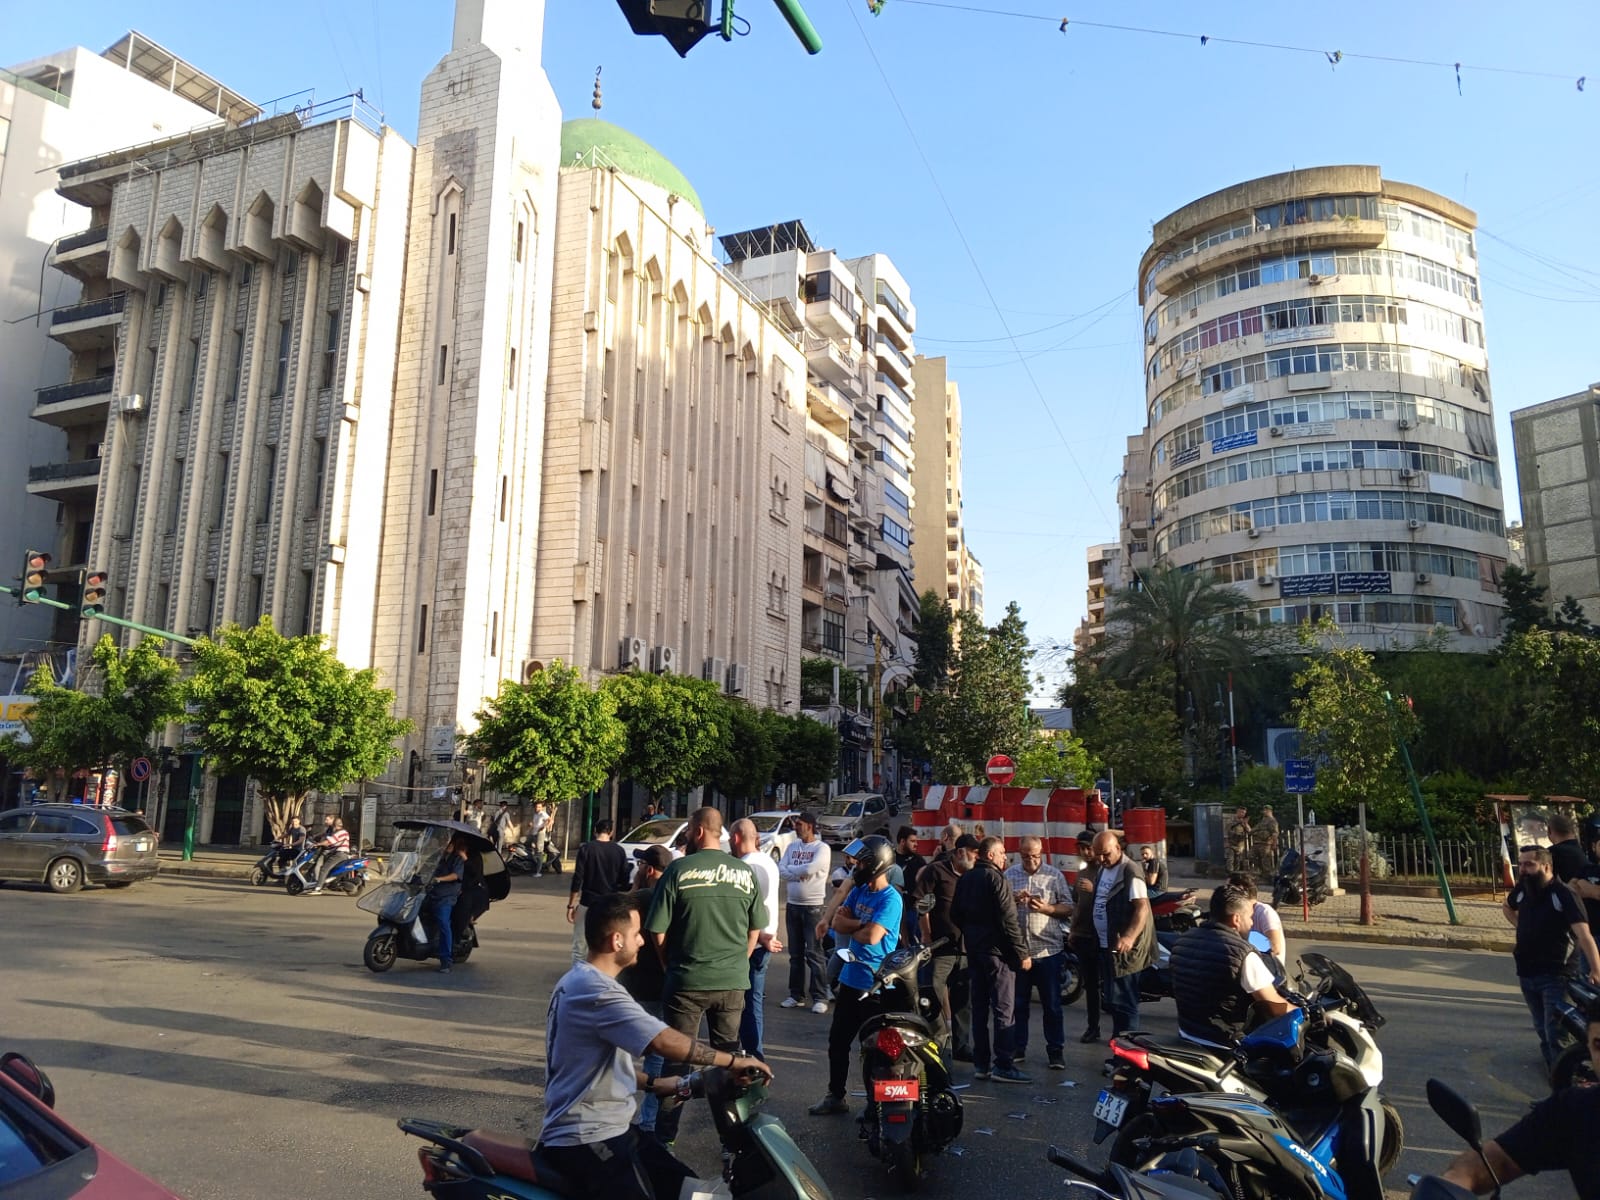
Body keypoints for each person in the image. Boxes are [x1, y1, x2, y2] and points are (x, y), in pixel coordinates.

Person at [538, 893, 772, 1200]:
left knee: (688, 1188)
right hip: (585, 1138)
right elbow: (662, 1040)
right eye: (637, 934)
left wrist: (662, 1084)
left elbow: (594, 1066)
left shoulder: (578, 980)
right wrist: (732, 1061)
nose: (642, 941)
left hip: (612, 1129)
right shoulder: (598, 991)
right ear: (617, 940)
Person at [645, 807, 766, 1148]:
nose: (686, 836)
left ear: (698, 832)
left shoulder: (678, 870)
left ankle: (664, 1141)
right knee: (729, 1061)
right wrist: (739, 961)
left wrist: (668, 965)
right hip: (732, 982)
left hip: (686, 981)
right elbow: (755, 929)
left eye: (688, 831)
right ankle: (733, 1142)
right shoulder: (744, 872)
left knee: (677, 1062)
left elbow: (657, 930)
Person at [1440, 1009, 1600, 1199]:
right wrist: (1452, 1183)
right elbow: (1498, 1160)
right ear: (1588, 1047)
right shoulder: (1574, 1109)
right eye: (1598, 1045)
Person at [808, 836, 903, 1116]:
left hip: (876, 986)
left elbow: (872, 937)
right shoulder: (859, 891)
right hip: (850, 980)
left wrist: (855, 926)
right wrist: (860, 924)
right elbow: (838, 923)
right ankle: (835, 1096)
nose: (855, 867)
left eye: (860, 863)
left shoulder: (891, 899)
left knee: (875, 1050)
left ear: (876, 864)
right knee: (837, 1042)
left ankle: (876, 1105)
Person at [1502, 843, 1600, 1069]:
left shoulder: (1563, 894)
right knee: (1540, 1027)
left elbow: (1584, 935)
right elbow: (1507, 906)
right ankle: (1554, 1069)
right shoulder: (1524, 889)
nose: (1523, 870)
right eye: (1521, 864)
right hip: (1526, 972)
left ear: (1546, 867)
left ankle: (1566, 1075)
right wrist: (1521, 927)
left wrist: (1596, 969)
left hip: (1556, 974)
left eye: (1529, 864)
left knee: (1556, 1030)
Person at [951, 835, 1033, 1083]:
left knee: (979, 1008)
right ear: (990, 855)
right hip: (997, 953)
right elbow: (1009, 919)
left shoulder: (966, 878)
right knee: (1003, 1009)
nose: (1005, 857)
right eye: (1002, 853)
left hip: (975, 951)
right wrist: (1022, 953)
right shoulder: (996, 878)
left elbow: (955, 913)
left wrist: (972, 933)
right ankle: (1004, 1064)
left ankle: (982, 1064)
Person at [1171, 885, 1293, 1048]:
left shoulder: (1182, 941)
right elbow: (1273, 1006)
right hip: (1225, 1043)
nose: (1251, 923)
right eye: (1250, 917)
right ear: (1236, 919)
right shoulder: (1241, 953)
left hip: (1188, 1034)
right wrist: (1305, 1014)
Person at [1005, 836, 1073, 1070]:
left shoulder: (1055, 876)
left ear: (1041, 853)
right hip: (1020, 952)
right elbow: (1000, 907)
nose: (1031, 860)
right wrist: (1013, 900)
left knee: (1052, 1005)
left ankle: (1056, 1051)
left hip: (1048, 951)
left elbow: (1068, 907)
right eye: (1026, 856)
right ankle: (1018, 1048)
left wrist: (1047, 908)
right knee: (1018, 1005)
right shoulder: (1009, 875)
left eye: (1034, 856)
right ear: (1019, 854)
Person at [619, 846, 674, 1138]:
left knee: (621, 1051)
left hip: (636, 985)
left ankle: (617, 1114)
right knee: (657, 1055)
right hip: (665, 985)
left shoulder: (640, 897)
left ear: (649, 869)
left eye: (641, 865)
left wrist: (635, 886)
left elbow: (614, 916)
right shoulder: (675, 896)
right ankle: (649, 1121)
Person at [914, 832, 978, 1059]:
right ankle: (938, 1041)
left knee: (963, 999)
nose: (976, 857)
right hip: (941, 947)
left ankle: (961, 1045)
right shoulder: (936, 871)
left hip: (966, 947)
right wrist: (926, 933)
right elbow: (921, 903)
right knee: (935, 992)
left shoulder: (973, 876)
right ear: (960, 852)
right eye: (973, 853)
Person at [1090, 830, 1156, 1035]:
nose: (1102, 859)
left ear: (1118, 848)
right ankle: (1118, 1046)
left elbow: (1142, 908)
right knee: (1114, 1002)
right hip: (1107, 946)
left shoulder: (1130, 871)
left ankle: (1127, 1049)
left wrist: (1129, 937)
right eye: (1098, 855)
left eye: (1106, 854)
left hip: (1126, 952)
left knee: (1125, 1004)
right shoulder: (1103, 870)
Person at [731, 818, 783, 1062]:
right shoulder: (768, 861)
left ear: (736, 838)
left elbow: (743, 909)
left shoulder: (745, 867)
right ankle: (753, 1055)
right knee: (753, 1003)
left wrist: (760, 935)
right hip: (765, 939)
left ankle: (753, 1057)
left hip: (753, 943)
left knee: (744, 1005)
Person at [777, 811, 832, 1014]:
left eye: (799, 824)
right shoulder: (792, 847)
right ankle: (796, 995)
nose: (796, 827)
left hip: (813, 907)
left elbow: (811, 869)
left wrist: (792, 870)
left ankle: (820, 996)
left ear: (809, 826)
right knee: (795, 954)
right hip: (792, 905)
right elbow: (780, 868)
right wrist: (795, 873)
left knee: (815, 953)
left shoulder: (822, 848)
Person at [569, 820, 632, 964]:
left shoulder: (586, 849)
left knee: (580, 945)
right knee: (607, 943)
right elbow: (625, 880)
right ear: (611, 832)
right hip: (610, 904)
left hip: (588, 901)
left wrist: (571, 905)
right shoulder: (619, 851)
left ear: (595, 831)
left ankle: (578, 974)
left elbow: (578, 878)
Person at [1068, 848, 1104, 1044]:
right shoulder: (1081, 873)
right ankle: (1093, 1027)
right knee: (1090, 985)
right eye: (1081, 848)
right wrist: (1073, 930)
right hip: (1083, 935)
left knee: (1111, 986)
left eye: (1089, 848)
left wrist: (1094, 889)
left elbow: (1115, 901)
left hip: (1103, 937)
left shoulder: (1106, 873)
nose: (1086, 852)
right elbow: (1076, 904)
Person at [425, 834, 469, 974]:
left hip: (446, 896)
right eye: (444, 842)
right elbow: (425, 868)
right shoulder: (437, 857)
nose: (446, 845)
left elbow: (456, 875)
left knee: (443, 923)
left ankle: (446, 960)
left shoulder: (457, 859)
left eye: (449, 843)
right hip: (431, 893)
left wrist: (439, 879)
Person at [1227, 872, 1286, 962]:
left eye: (1229, 890)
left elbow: (1275, 947)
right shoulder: (1238, 912)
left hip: (1267, 967)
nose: (1225, 894)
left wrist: (1242, 938)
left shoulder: (1265, 912)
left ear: (1241, 890)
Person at [307, 816, 351, 894]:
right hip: (338, 853)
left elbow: (329, 842)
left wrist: (318, 844)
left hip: (339, 854)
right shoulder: (342, 832)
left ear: (335, 825)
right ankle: (326, 882)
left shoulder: (341, 832)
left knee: (324, 869)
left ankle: (318, 888)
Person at [894, 826, 927, 896]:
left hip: (912, 900)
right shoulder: (890, 858)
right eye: (912, 841)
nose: (916, 844)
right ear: (903, 841)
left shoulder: (918, 860)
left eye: (916, 841)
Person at [527, 801, 553, 875]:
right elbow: (535, 823)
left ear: (541, 807)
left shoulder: (542, 814)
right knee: (534, 850)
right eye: (536, 807)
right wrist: (530, 825)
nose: (537, 808)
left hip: (540, 834)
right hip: (534, 833)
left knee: (539, 851)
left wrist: (544, 827)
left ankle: (538, 871)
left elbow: (550, 820)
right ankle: (535, 868)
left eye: (539, 807)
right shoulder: (535, 814)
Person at [1253, 806, 1280, 875]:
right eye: (1264, 810)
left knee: (1265, 860)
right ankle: (1260, 871)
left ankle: (1267, 875)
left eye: (1266, 810)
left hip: (1266, 843)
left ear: (1270, 811)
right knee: (1251, 856)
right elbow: (1253, 830)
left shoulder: (1272, 821)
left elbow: (1275, 833)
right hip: (1258, 843)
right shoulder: (1262, 821)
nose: (1264, 812)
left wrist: (1274, 844)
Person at [1227, 807, 1252, 874]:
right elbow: (1228, 828)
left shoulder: (1244, 822)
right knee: (1230, 859)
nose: (1243, 814)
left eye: (1244, 813)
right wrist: (1239, 822)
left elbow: (1249, 831)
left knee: (1238, 860)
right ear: (1238, 812)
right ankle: (1230, 873)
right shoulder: (1232, 819)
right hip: (1231, 843)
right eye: (1241, 812)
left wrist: (1245, 825)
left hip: (1240, 844)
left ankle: (1236, 873)